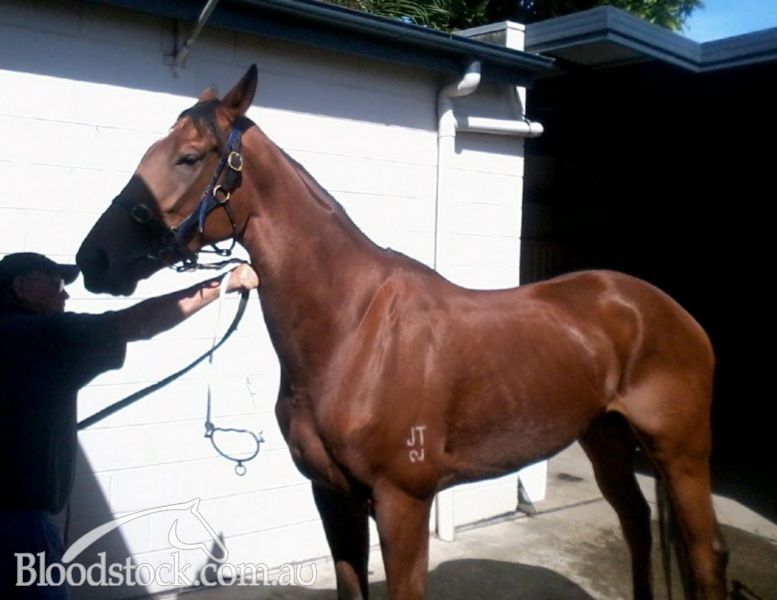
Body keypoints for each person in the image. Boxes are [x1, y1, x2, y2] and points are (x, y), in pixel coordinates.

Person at [0, 252, 259, 598]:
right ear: (21, 288)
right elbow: (140, 322)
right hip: (20, 531)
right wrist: (225, 283)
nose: (65, 294)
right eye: (57, 284)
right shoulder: (39, 336)